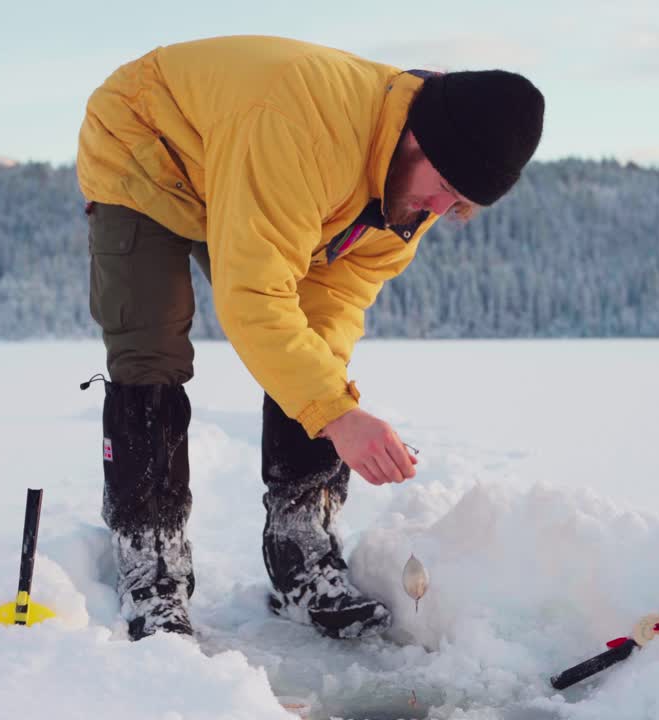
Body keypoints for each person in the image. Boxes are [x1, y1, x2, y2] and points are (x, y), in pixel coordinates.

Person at [76, 35, 544, 641]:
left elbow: (335, 302)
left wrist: (329, 402)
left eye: (459, 201)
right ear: (416, 136)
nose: (439, 207)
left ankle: (301, 548)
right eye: (443, 184)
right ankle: (151, 565)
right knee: (151, 348)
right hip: (146, 146)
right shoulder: (304, 130)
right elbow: (254, 299)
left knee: (316, 358)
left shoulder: (414, 192)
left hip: (244, 166)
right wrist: (338, 416)